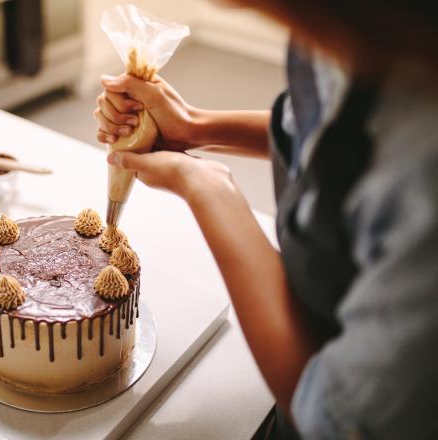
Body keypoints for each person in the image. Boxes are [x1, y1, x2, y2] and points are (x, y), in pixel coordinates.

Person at [94, 1, 438, 438]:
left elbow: (333, 417)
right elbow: (310, 135)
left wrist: (210, 189)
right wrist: (194, 125)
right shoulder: (344, 34)